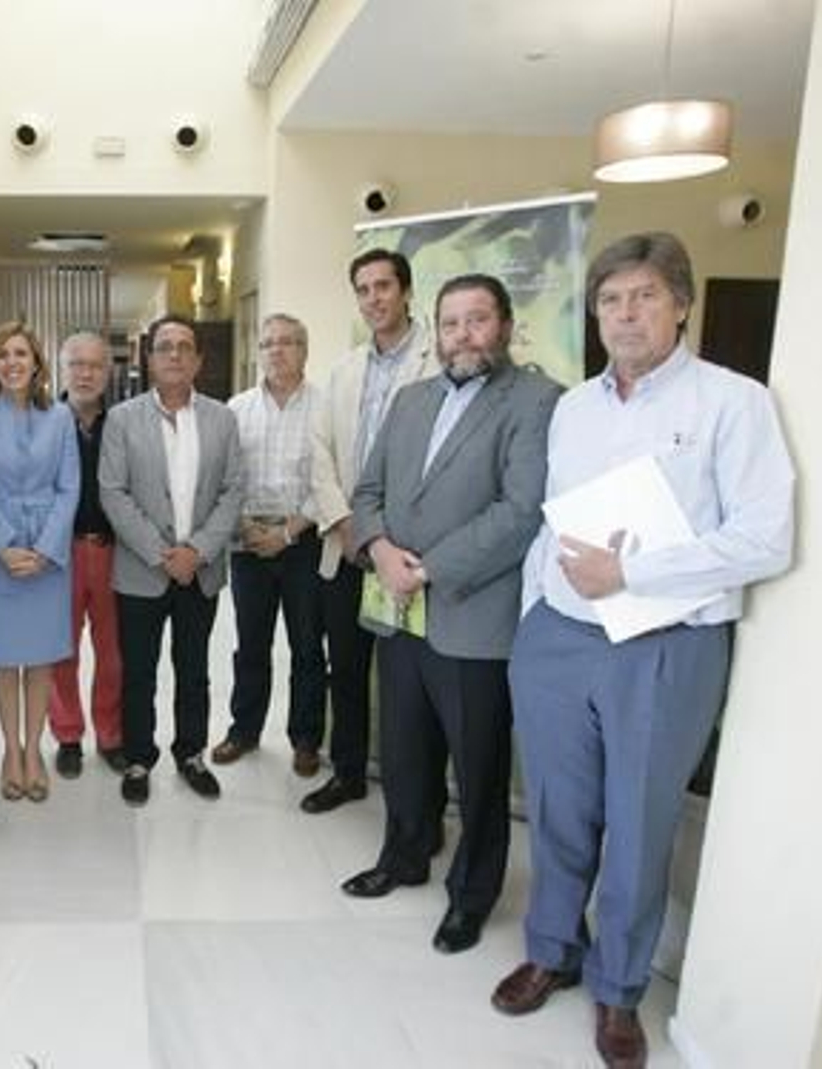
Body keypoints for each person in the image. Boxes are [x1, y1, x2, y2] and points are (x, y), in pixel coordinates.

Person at [491, 233, 795, 1069]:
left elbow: (766, 538)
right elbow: (551, 522)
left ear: (682, 304)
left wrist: (634, 571)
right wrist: (531, 624)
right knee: (556, 807)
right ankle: (553, 948)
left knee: (638, 821)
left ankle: (619, 990)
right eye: (611, 301)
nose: (625, 315)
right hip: (557, 640)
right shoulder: (574, 408)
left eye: (645, 297)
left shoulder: (734, 404)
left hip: (664, 647)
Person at [340, 275, 561, 960]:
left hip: (473, 617)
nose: (462, 335)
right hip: (398, 611)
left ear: (505, 324)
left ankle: (471, 895)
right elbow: (367, 487)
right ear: (434, 331)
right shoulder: (410, 399)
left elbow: (521, 511)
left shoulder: (535, 400)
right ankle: (404, 853)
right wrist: (378, 548)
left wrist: (427, 567)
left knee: (478, 765)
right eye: (451, 322)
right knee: (404, 750)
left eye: (477, 320)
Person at [306, 247, 441, 814]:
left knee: (413, 682)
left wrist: (386, 539)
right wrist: (343, 525)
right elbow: (320, 453)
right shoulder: (344, 371)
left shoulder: (438, 365)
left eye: (383, 286)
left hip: (410, 553)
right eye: (363, 289)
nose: (373, 299)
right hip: (347, 549)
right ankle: (350, 772)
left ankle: (418, 793)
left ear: (406, 292)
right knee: (349, 670)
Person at [99, 315, 243, 806]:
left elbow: (232, 490)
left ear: (199, 359)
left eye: (185, 347)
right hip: (142, 571)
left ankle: (190, 753)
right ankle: (139, 757)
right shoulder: (121, 419)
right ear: (150, 358)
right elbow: (112, 492)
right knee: (138, 671)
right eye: (165, 347)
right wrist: (163, 555)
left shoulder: (223, 419)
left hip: (200, 573)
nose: (175, 355)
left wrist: (197, 551)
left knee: (194, 669)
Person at [0, 322, 80, 802]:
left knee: (43, 659)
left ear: (37, 363)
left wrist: (48, 549)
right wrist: (1, 544)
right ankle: (12, 750)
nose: (12, 362)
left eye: (21, 354)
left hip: (49, 552)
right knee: (6, 659)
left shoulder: (60, 417)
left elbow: (71, 486)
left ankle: (36, 749)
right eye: (3, 354)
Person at [212, 313, 328, 775]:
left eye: (287, 342)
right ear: (257, 352)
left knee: (306, 646)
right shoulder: (236, 409)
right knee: (251, 644)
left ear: (304, 350)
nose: (276, 351)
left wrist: (287, 532)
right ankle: (243, 730)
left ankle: (305, 739)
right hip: (249, 545)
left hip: (304, 542)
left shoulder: (325, 407)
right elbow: (222, 478)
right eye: (268, 344)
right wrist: (242, 526)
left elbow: (332, 482)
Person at [48, 331, 127, 778]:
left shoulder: (124, 424)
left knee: (113, 652)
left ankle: (111, 733)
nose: (85, 373)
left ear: (108, 372)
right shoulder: (44, 421)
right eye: (76, 363)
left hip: (114, 551)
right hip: (61, 555)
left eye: (95, 365)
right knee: (63, 651)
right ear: (62, 368)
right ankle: (68, 735)